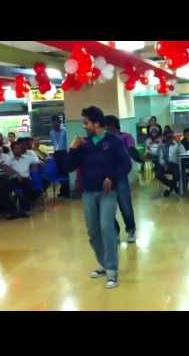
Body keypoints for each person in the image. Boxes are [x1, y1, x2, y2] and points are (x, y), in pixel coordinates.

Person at [66, 106, 131, 289]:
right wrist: (72, 149)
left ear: (96, 123)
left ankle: (112, 270)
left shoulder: (114, 142)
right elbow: (68, 167)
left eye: (86, 123)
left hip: (108, 193)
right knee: (93, 231)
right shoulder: (83, 144)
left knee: (106, 227)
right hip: (88, 193)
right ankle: (103, 264)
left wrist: (113, 177)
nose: (84, 126)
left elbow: (125, 164)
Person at [103, 115, 137, 243]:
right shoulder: (103, 140)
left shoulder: (126, 137)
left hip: (121, 177)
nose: (106, 129)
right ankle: (115, 232)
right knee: (108, 208)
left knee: (125, 206)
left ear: (114, 126)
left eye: (107, 126)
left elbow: (131, 152)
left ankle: (131, 230)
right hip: (106, 178)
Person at [1, 142, 39, 218]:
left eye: (19, 148)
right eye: (15, 148)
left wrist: (35, 167)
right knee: (5, 190)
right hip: (14, 179)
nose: (18, 150)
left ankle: (25, 210)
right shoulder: (9, 159)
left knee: (28, 188)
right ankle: (12, 211)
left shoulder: (28, 157)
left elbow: (38, 162)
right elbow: (4, 166)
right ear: (12, 150)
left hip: (26, 178)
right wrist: (16, 173)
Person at [156, 129, 185, 197]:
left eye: (170, 137)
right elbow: (160, 158)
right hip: (165, 164)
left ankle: (171, 188)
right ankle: (173, 186)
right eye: (167, 137)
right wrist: (164, 164)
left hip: (175, 164)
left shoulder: (177, 145)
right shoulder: (162, 146)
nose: (169, 139)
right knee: (158, 175)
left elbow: (183, 153)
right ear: (164, 137)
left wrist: (179, 144)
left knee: (177, 176)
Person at [50, 115, 70, 198]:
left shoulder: (65, 131)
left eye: (57, 122)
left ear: (60, 122)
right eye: (54, 122)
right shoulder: (51, 132)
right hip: (56, 153)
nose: (55, 124)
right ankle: (62, 191)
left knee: (65, 172)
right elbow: (54, 143)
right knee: (59, 172)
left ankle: (67, 191)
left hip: (64, 153)